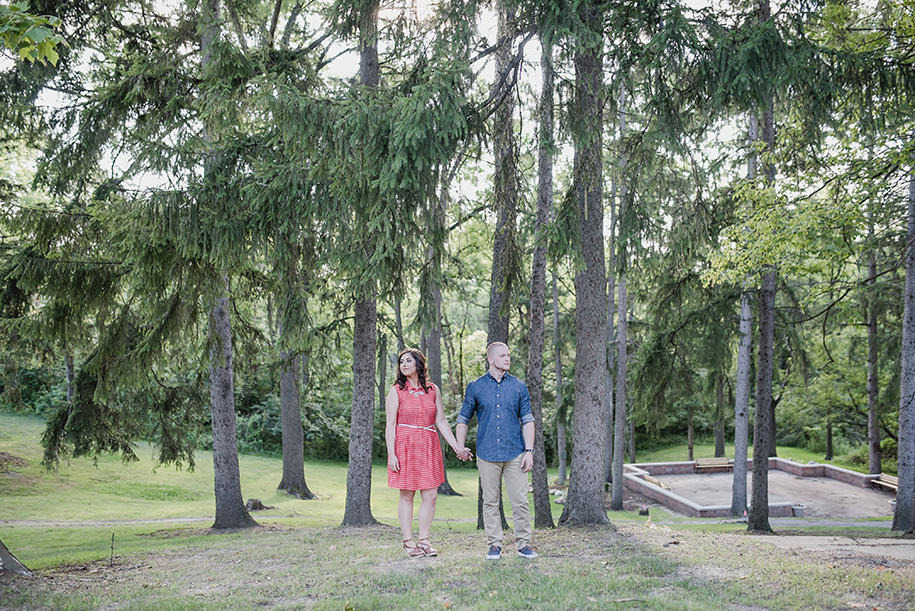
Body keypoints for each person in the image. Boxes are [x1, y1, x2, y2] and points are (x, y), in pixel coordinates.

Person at [386, 347, 471, 557]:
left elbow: (440, 421)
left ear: (418, 364)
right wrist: (391, 454)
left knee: (431, 495)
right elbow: (390, 425)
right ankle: (408, 542)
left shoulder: (432, 390)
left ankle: (424, 540)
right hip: (404, 444)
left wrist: (457, 447)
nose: (403, 364)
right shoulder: (396, 391)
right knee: (407, 494)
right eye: (401, 362)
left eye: (408, 361)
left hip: (428, 444)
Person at [456, 341, 537, 560]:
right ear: (490, 359)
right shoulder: (476, 386)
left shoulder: (519, 386)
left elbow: (528, 419)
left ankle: (524, 545)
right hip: (487, 454)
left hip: (515, 453)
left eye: (509, 355)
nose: (507, 359)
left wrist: (529, 451)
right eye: (502, 356)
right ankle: (494, 545)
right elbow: (463, 418)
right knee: (490, 501)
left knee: (520, 501)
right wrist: (459, 446)